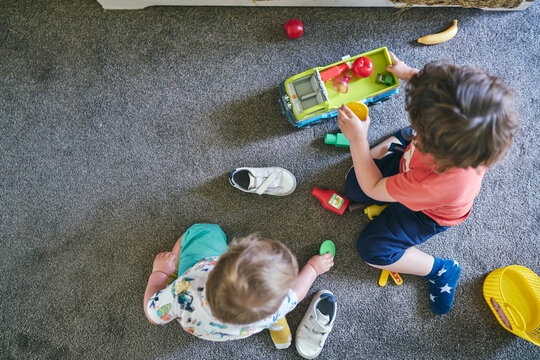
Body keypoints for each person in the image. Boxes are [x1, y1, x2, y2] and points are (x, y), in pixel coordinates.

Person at [338, 53, 517, 315]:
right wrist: (410, 73)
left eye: (420, 128)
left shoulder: (436, 180)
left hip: (427, 214)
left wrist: (357, 141)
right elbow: (446, 89)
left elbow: (373, 187)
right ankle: (398, 143)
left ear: (438, 149)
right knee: (352, 183)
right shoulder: (468, 131)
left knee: (372, 250)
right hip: (408, 168)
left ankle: (441, 269)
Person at [143, 223, 334, 340]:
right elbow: (297, 292)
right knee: (277, 315)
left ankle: (176, 270)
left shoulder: (185, 291)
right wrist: (314, 268)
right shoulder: (277, 304)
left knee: (204, 231)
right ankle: (276, 324)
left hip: (200, 324)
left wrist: (159, 273)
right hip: (247, 327)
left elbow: (152, 315)